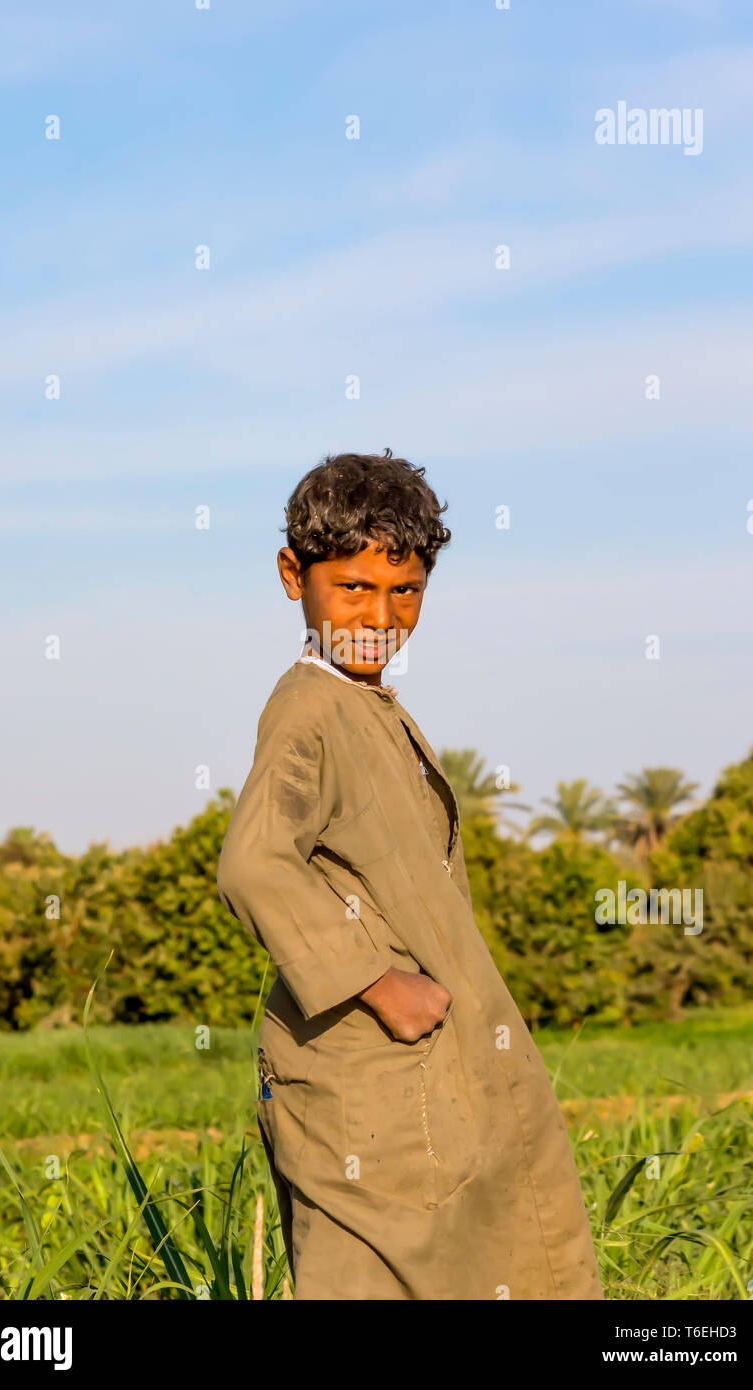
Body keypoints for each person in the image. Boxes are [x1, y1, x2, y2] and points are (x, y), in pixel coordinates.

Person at [216, 449, 603, 1301]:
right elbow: (252, 862)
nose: (379, 614)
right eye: (352, 587)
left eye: (406, 590)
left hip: (412, 1077)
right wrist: (374, 982)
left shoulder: (370, 705)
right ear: (294, 575)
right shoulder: (310, 706)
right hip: (370, 1074)